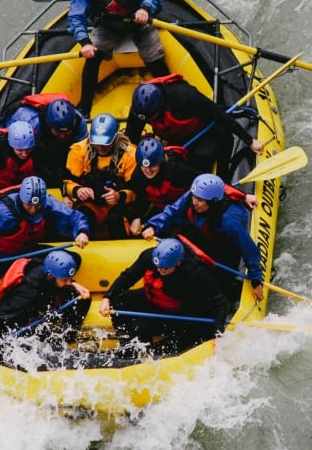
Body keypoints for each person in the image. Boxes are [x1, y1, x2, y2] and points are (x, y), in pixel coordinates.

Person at [67, 0, 169, 116]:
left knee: (154, 58)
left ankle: (170, 98)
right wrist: (84, 42)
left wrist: (145, 8)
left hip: (138, 22)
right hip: (108, 26)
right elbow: (76, 16)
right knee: (92, 60)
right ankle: (85, 109)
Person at [141, 173, 264, 302]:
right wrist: (153, 226)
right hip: (202, 233)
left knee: (220, 282)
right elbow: (173, 211)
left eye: (199, 200)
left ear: (213, 202)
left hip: (224, 247)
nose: (194, 202)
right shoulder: (193, 197)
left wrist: (256, 281)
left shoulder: (229, 222)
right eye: (194, 197)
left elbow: (249, 251)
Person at [0, 176, 90, 287]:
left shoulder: (46, 202)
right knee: (42, 274)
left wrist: (82, 231)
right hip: (1, 258)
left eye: (37, 205)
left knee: (73, 259)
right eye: (29, 205)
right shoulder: (0, 213)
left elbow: (73, 217)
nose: (33, 210)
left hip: (28, 249)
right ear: (22, 198)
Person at [99, 238, 231, 352]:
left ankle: (148, 355)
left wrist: (217, 335)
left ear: (178, 263)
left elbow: (221, 302)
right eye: (157, 266)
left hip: (177, 313)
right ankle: (128, 350)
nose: (159, 270)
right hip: (155, 298)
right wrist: (107, 297)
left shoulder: (194, 274)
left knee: (140, 328)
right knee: (118, 304)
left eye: (164, 268)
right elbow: (129, 276)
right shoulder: (150, 256)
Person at [124, 77, 264, 173]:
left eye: (151, 116)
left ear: (160, 106)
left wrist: (249, 140)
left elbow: (218, 114)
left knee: (200, 158)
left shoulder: (184, 97)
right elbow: (131, 137)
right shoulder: (140, 109)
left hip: (204, 130)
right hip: (175, 139)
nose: (148, 119)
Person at [0, 249, 90, 353]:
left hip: (43, 300)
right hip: (18, 323)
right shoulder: (27, 294)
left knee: (81, 298)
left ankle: (66, 338)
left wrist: (74, 284)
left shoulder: (48, 270)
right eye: (65, 279)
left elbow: (63, 283)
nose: (68, 282)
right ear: (50, 277)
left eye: (69, 278)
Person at [126, 137, 257, 235]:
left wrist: (243, 196)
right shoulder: (138, 176)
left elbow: (209, 182)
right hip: (166, 210)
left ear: (160, 162)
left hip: (190, 206)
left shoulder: (178, 170)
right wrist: (136, 216)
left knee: (195, 231)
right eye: (144, 166)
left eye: (152, 166)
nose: (148, 170)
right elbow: (141, 198)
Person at [63, 113, 138, 239]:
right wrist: (78, 190)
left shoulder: (130, 154)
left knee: (115, 219)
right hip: (90, 204)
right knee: (84, 217)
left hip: (117, 205)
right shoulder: (78, 151)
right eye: (97, 142)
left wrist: (118, 196)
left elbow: (135, 191)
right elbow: (67, 183)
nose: (100, 147)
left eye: (105, 143)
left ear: (115, 137)